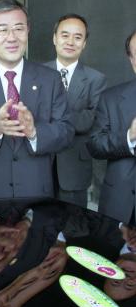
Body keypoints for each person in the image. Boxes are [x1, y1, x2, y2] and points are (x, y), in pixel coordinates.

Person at [0, 0, 74, 199]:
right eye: (2, 30)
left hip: (37, 192)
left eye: (18, 29)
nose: (11, 37)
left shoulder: (50, 78)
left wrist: (35, 131)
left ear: (27, 31)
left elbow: (67, 130)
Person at [46, 13, 107, 207]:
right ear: (55, 38)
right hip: (39, 165)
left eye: (77, 37)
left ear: (84, 43)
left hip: (74, 167)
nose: (70, 41)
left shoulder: (96, 79)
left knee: (74, 231)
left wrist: (50, 115)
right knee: (38, 230)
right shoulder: (36, 74)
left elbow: (91, 119)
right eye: (65, 35)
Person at [87, 29, 136, 224]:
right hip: (122, 205)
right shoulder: (111, 98)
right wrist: (129, 137)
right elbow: (94, 144)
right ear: (131, 60)